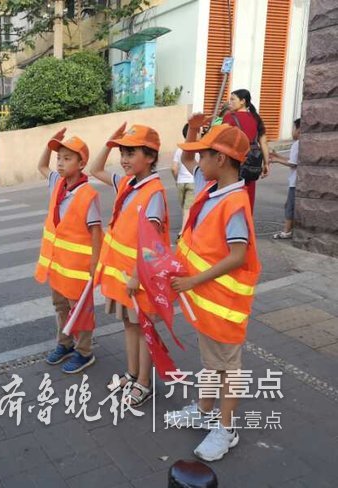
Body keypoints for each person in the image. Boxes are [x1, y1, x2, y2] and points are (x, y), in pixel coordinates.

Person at [167, 115, 261, 462]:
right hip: (208, 303)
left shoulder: (234, 203)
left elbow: (238, 256)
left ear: (220, 159)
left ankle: (226, 428)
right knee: (212, 363)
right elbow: (188, 161)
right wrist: (193, 131)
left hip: (225, 305)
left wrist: (192, 280)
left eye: (205, 154)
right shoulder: (212, 189)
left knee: (227, 368)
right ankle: (203, 409)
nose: (198, 161)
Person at [90, 123, 170, 408]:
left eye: (131, 152)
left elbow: (151, 244)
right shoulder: (127, 182)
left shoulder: (154, 193)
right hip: (124, 277)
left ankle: (145, 383)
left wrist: (137, 276)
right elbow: (94, 169)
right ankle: (132, 372)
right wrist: (110, 143)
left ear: (150, 156)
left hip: (140, 279)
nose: (124, 158)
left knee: (144, 329)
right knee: (129, 325)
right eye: (123, 152)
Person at [35, 128, 102, 374]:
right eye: (59, 158)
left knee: (80, 309)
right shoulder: (58, 183)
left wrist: (95, 264)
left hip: (78, 268)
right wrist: (50, 142)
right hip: (58, 264)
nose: (60, 164)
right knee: (60, 307)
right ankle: (64, 344)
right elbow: (42, 166)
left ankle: (84, 352)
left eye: (67, 158)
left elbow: (96, 232)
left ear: (82, 163)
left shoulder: (88, 194)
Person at [223, 89, 270, 212]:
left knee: (232, 198)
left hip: (233, 164)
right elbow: (263, 142)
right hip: (252, 161)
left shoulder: (229, 118)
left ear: (243, 101)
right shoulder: (256, 118)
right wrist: (266, 163)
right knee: (248, 198)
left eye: (233, 99)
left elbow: (223, 141)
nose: (230, 102)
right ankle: (247, 227)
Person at [271, 118, 300, 239]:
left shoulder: (297, 144)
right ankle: (290, 229)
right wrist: (277, 156)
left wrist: (276, 160)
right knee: (289, 205)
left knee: (290, 207)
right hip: (297, 181)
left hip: (295, 182)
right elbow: (293, 161)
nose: (292, 132)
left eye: (294, 128)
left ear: (299, 130)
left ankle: (287, 231)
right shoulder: (302, 143)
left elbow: (293, 164)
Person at [171, 123, 198, 238]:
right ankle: (183, 233)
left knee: (185, 209)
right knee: (188, 209)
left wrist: (177, 180)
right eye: (199, 131)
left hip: (181, 182)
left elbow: (174, 168)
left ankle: (187, 230)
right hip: (193, 181)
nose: (201, 133)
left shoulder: (179, 150)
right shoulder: (199, 149)